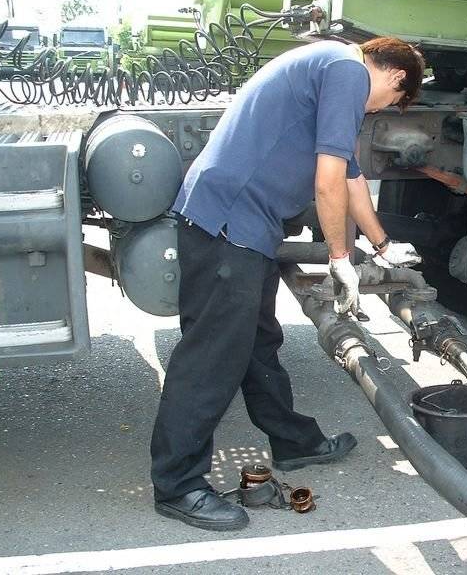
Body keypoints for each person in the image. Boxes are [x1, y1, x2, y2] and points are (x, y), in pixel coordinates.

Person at [151, 37, 426, 531]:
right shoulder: (348, 71)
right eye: (391, 101)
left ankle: (293, 442)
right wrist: (340, 259)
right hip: (228, 223)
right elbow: (327, 181)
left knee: (258, 342)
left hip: (244, 226)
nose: (379, 108)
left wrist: (383, 246)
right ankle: (177, 485)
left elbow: (351, 179)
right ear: (396, 76)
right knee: (212, 356)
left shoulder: (330, 66)